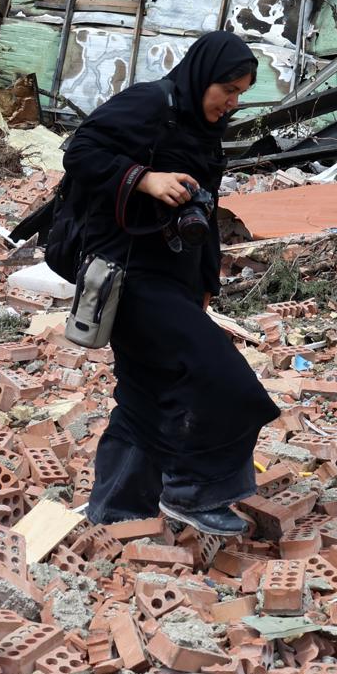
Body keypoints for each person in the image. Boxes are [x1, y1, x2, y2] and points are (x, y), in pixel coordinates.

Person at [59, 30, 280, 535]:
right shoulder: (149, 102)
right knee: (227, 382)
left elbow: (207, 209)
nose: (232, 102)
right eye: (228, 89)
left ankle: (117, 515)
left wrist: (207, 284)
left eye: (242, 93)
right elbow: (82, 150)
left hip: (175, 278)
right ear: (204, 76)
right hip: (130, 276)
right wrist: (145, 178)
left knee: (146, 395)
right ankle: (193, 492)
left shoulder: (202, 131)